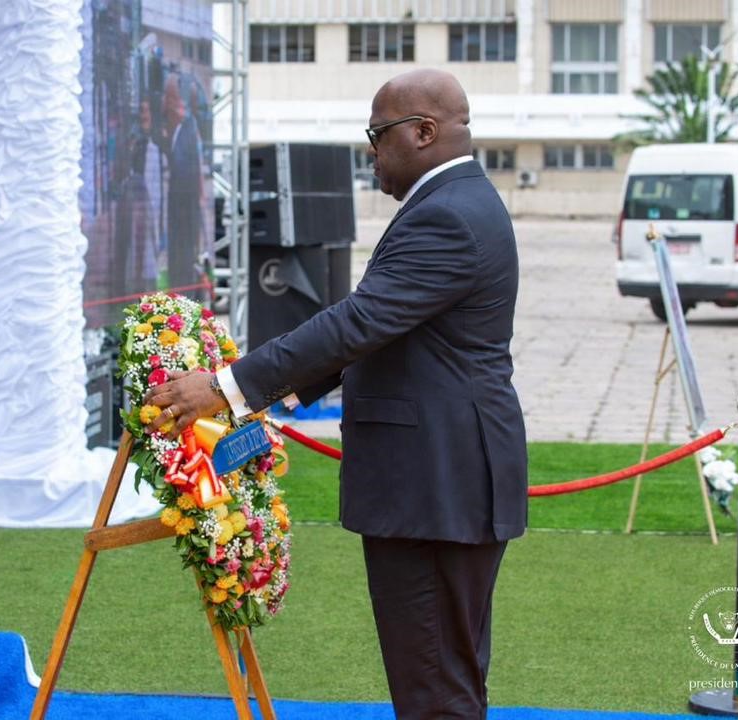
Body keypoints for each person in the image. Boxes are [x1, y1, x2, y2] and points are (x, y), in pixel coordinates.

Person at [145, 69, 527, 719]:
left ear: (424, 132)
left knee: (435, 683)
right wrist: (275, 397)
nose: (371, 151)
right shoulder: (455, 203)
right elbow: (381, 333)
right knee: (443, 674)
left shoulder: (449, 217)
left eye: (377, 135)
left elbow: (358, 322)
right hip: (444, 477)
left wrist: (224, 387)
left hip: (434, 482)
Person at [162, 74, 205, 289]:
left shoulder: (188, 128)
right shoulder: (173, 129)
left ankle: (184, 289)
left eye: (172, 99)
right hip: (177, 203)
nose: (169, 104)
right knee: (177, 253)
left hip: (186, 205)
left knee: (185, 253)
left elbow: (190, 168)